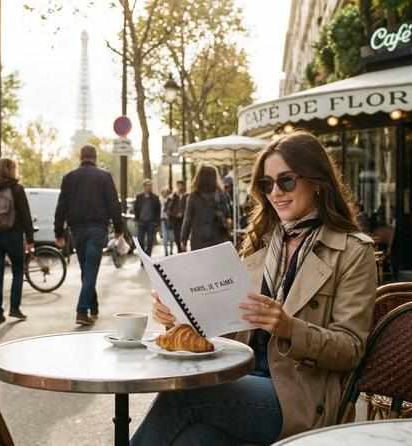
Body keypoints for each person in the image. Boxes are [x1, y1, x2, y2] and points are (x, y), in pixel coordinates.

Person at [133, 132, 377, 445]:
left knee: (184, 397)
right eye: (266, 184)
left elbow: (351, 350)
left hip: (301, 395)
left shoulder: (353, 252)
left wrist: (289, 327)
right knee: (192, 439)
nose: (275, 192)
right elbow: (225, 329)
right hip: (243, 376)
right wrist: (176, 314)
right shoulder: (260, 245)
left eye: (286, 181)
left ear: (317, 182)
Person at [55, 145, 124, 326]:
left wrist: (58, 232)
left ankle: (93, 307)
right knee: (91, 269)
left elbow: (61, 207)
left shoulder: (69, 178)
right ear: (95, 157)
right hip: (97, 228)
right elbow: (113, 204)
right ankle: (82, 310)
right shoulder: (104, 177)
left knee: (87, 269)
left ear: (81, 157)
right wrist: (119, 227)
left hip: (77, 229)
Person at [0, 158, 34, 324]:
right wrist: (30, 238)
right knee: (18, 271)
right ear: (12, 170)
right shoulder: (17, 189)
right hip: (13, 235)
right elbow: (25, 214)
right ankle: (15, 308)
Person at [181, 165, 232, 251]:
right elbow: (228, 217)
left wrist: (183, 239)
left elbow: (187, 220)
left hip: (198, 240)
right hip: (218, 239)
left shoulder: (193, 196)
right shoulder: (222, 195)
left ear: (199, 178)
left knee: (200, 264)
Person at [134, 179, 161, 257]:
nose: (149, 187)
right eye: (147, 185)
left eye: (150, 185)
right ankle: (143, 257)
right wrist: (136, 219)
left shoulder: (155, 198)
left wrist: (158, 223)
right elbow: (135, 208)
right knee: (140, 240)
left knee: (150, 241)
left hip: (151, 223)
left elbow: (158, 211)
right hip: (141, 222)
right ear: (144, 186)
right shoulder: (139, 197)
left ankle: (148, 255)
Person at [166, 180, 188, 253]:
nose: (179, 187)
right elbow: (168, 208)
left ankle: (184, 249)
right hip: (175, 219)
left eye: (180, 185)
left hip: (184, 219)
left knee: (183, 235)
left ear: (183, 186)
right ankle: (179, 249)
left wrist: (183, 213)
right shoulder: (173, 196)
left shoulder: (187, 196)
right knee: (177, 236)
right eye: (178, 185)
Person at [160, 187, 174, 256]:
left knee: (171, 237)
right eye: (163, 192)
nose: (165, 194)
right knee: (165, 237)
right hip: (163, 220)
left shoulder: (171, 200)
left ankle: (171, 250)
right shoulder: (160, 200)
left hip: (170, 221)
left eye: (166, 192)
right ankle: (166, 252)